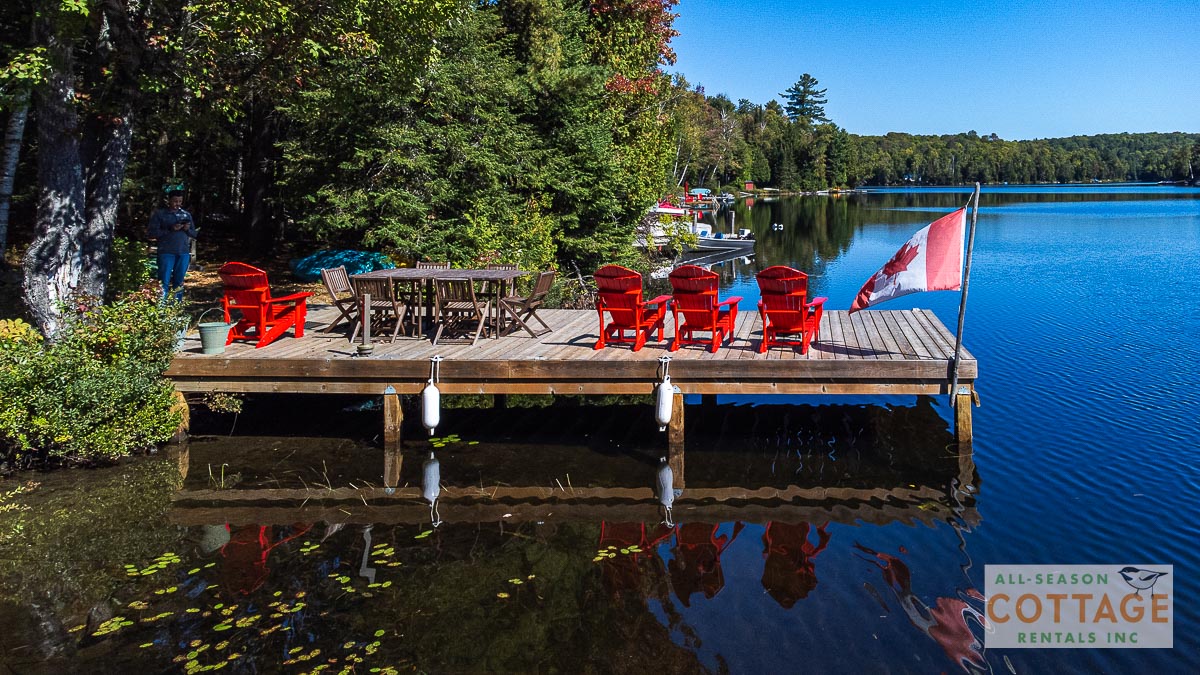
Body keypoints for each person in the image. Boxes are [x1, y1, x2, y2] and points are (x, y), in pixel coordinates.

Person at [147, 188, 197, 301]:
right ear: (168, 200)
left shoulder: (186, 215)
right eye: (175, 201)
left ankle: (176, 308)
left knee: (179, 282)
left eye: (180, 201)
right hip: (166, 252)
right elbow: (151, 234)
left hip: (183, 253)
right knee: (163, 281)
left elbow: (194, 234)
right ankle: (161, 308)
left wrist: (187, 229)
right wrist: (170, 229)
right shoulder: (160, 214)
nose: (177, 204)